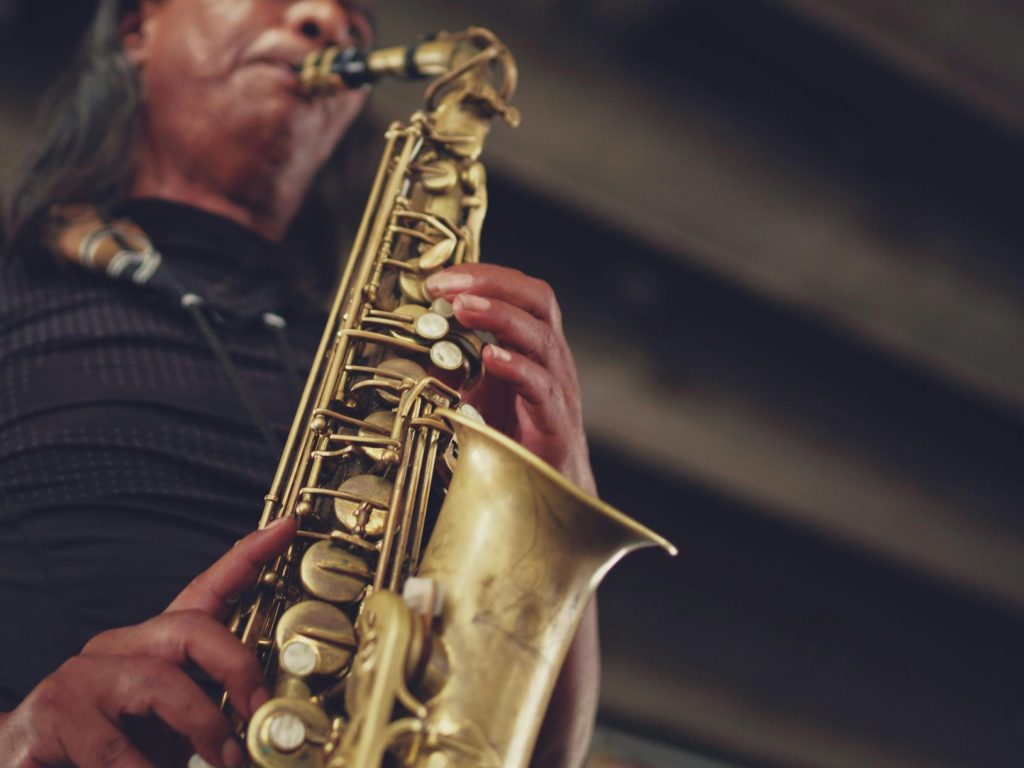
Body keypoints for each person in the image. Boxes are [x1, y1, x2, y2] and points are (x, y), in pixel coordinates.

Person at [0, 1, 599, 766]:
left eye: (357, 17)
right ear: (136, 27)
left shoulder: (402, 377)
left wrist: (558, 481)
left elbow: (528, 750)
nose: (327, 19)